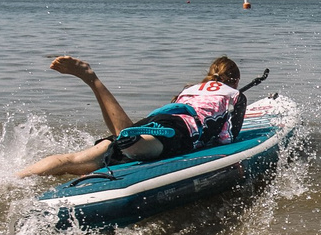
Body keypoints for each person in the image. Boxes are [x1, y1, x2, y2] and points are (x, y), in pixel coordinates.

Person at [18, 55, 250, 181]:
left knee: (73, 160)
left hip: (156, 121)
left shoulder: (190, 88)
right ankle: (92, 80)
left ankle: (15, 178)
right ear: (236, 81)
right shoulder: (235, 95)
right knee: (129, 141)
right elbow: (226, 138)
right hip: (180, 129)